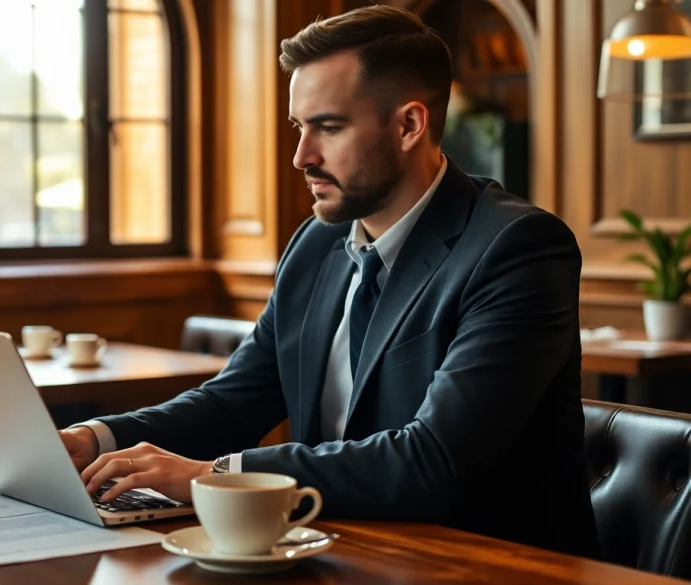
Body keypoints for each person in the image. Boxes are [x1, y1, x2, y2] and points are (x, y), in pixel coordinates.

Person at [58, 5, 600, 559]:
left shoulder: (519, 247)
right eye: (300, 126)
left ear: (409, 125)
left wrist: (216, 473)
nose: (301, 156)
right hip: (338, 548)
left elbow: (435, 459)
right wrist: (94, 439)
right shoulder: (316, 245)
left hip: (485, 565)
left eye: (329, 127)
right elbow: (233, 402)